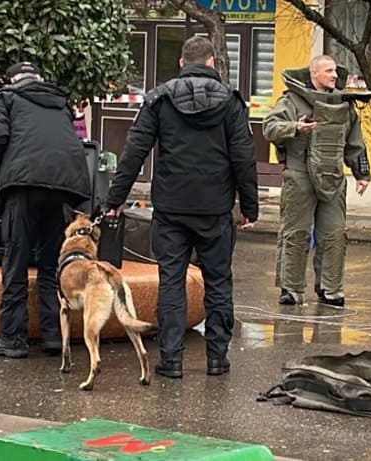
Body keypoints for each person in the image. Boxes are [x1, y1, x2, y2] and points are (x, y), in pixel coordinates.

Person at [105, 36, 258, 378]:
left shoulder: (159, 99)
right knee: (218, 282)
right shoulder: (231, 102)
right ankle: (217, 359)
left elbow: (134, 151)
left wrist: (115, 200)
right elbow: (244, 158)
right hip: (216, 209)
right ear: (212, 63)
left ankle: (170, 360)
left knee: (171, 281)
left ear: (181, 63)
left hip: (171, 209)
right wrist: (250, 206)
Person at [0, 62, 92, 357]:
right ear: (39, 80)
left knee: (15, 261)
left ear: (13, 79)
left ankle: (13, 340)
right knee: (50, 263)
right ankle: (54, 336)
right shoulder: (60, 104)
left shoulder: (5, 98)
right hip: (64, 186)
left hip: (24, 184)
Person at [262, 55, 371, 308]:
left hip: (333, 177)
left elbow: (355, 142)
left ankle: (330, 289)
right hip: (299, 176)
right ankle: (291, 289)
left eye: (335, 71)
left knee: (334, 234)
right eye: (329, 71)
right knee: (296, 232)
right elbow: (269, 127)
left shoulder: (344, 106)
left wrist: (362, 174)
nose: (334, 75)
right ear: (314, 74)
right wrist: (294, 128)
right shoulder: (292, 101)